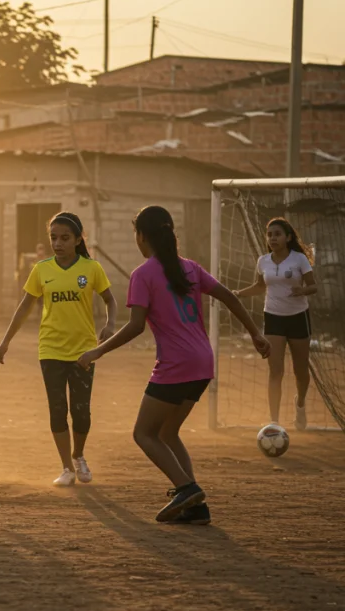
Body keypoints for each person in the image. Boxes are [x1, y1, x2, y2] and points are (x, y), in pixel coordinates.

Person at [79, 206, 269, 525]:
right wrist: (255, 334)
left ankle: (186, 487)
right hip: (203, 363)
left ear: (142, 236)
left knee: (143, 433)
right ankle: (195, 506)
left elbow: (136, 325)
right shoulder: (190, 268)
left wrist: (98, 351)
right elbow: (230, 297)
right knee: (168, 432)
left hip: (176, 364)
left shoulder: (143, 274)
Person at [0, 212, 116, 486]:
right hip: (50, 349)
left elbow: (110, 299)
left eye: (64, 238)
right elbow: (24, 307)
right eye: (53, 238)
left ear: (77, 239)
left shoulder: (91, 269)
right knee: (57, 409)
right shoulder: (41, 270)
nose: (58, 243)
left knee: (81, 411)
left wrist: (110, 324)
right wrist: (5, 342)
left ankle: (79, 456)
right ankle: (66, 468)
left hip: (84, 350)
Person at [234, 218, 317, 431]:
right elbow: (259, 286)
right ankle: (275, 421)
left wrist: (302, 291)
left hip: (298, 317)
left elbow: (313, 286)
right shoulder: (263, 261)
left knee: (301, 371)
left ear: (288, 237)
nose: (273, 238)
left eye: (277, 234)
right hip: (273, 318)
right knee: (275, 371)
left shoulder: (299, 259)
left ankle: (299, 405)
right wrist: (237, 294)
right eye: (269, 234)